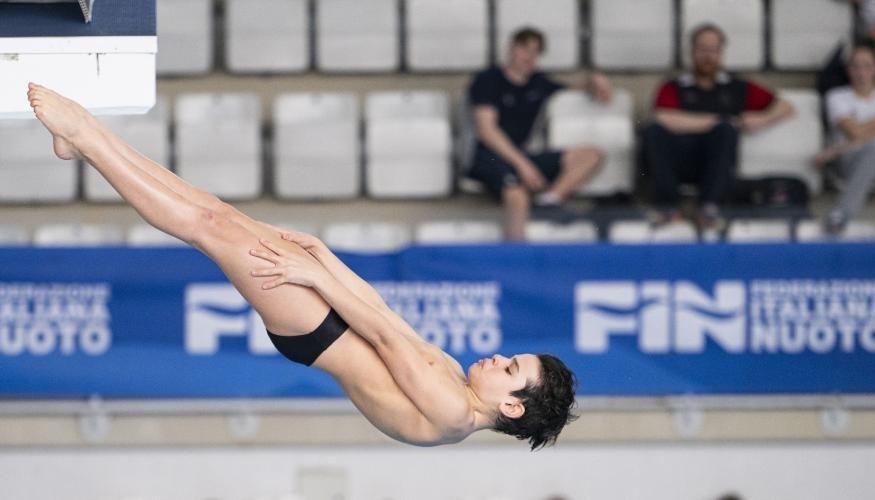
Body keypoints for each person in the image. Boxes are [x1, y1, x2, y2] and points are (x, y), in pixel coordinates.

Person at [25, 83, 577, 450]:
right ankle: (86, 140)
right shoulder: (456, 379)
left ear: (510, 403)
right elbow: (385, 314)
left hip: (316, 330)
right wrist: (325, 256)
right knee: (214, 213)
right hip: (331, 316)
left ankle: (86, 138)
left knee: (203, 226)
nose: (500, 357)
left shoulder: (454, 415)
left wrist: (316, 277)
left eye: (510, 368)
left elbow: (385, 340)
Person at [643, 23, 794, 231]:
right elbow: (663, 117)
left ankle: (709, 208)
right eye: (702, 49)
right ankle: (668, 207)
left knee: (726, 132)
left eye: (713, 50)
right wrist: (718, 120)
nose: (707, 55)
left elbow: (785, 106)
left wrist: (762, 119)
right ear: (692, 51)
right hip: (678, 161)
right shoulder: (673, 86)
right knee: (654, 131)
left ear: (721, 53)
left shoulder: (737, 87)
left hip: (715, 165)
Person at [467, 26, 608, 240]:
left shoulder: (539, 83)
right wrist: (522, 165)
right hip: (490, 155)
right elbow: (487, 130)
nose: (529, 56)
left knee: (591, 155)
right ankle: (517, 256)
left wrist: (594, 81)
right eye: (524, 49)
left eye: (535, 51)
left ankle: (550, 201)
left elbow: (573, 90)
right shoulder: (489, 79)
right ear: (511, 49)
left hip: (522, 155)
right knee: (517, 195)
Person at [817, 42, 875, 233]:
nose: (861, 72)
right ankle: (842, 213)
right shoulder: (837, 96)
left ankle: (840, 214)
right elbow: (854, 132)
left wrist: (858, 136)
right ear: (848, 70)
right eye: (855, 66)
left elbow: (860, 132)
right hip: (850, 158)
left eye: (867, 65)